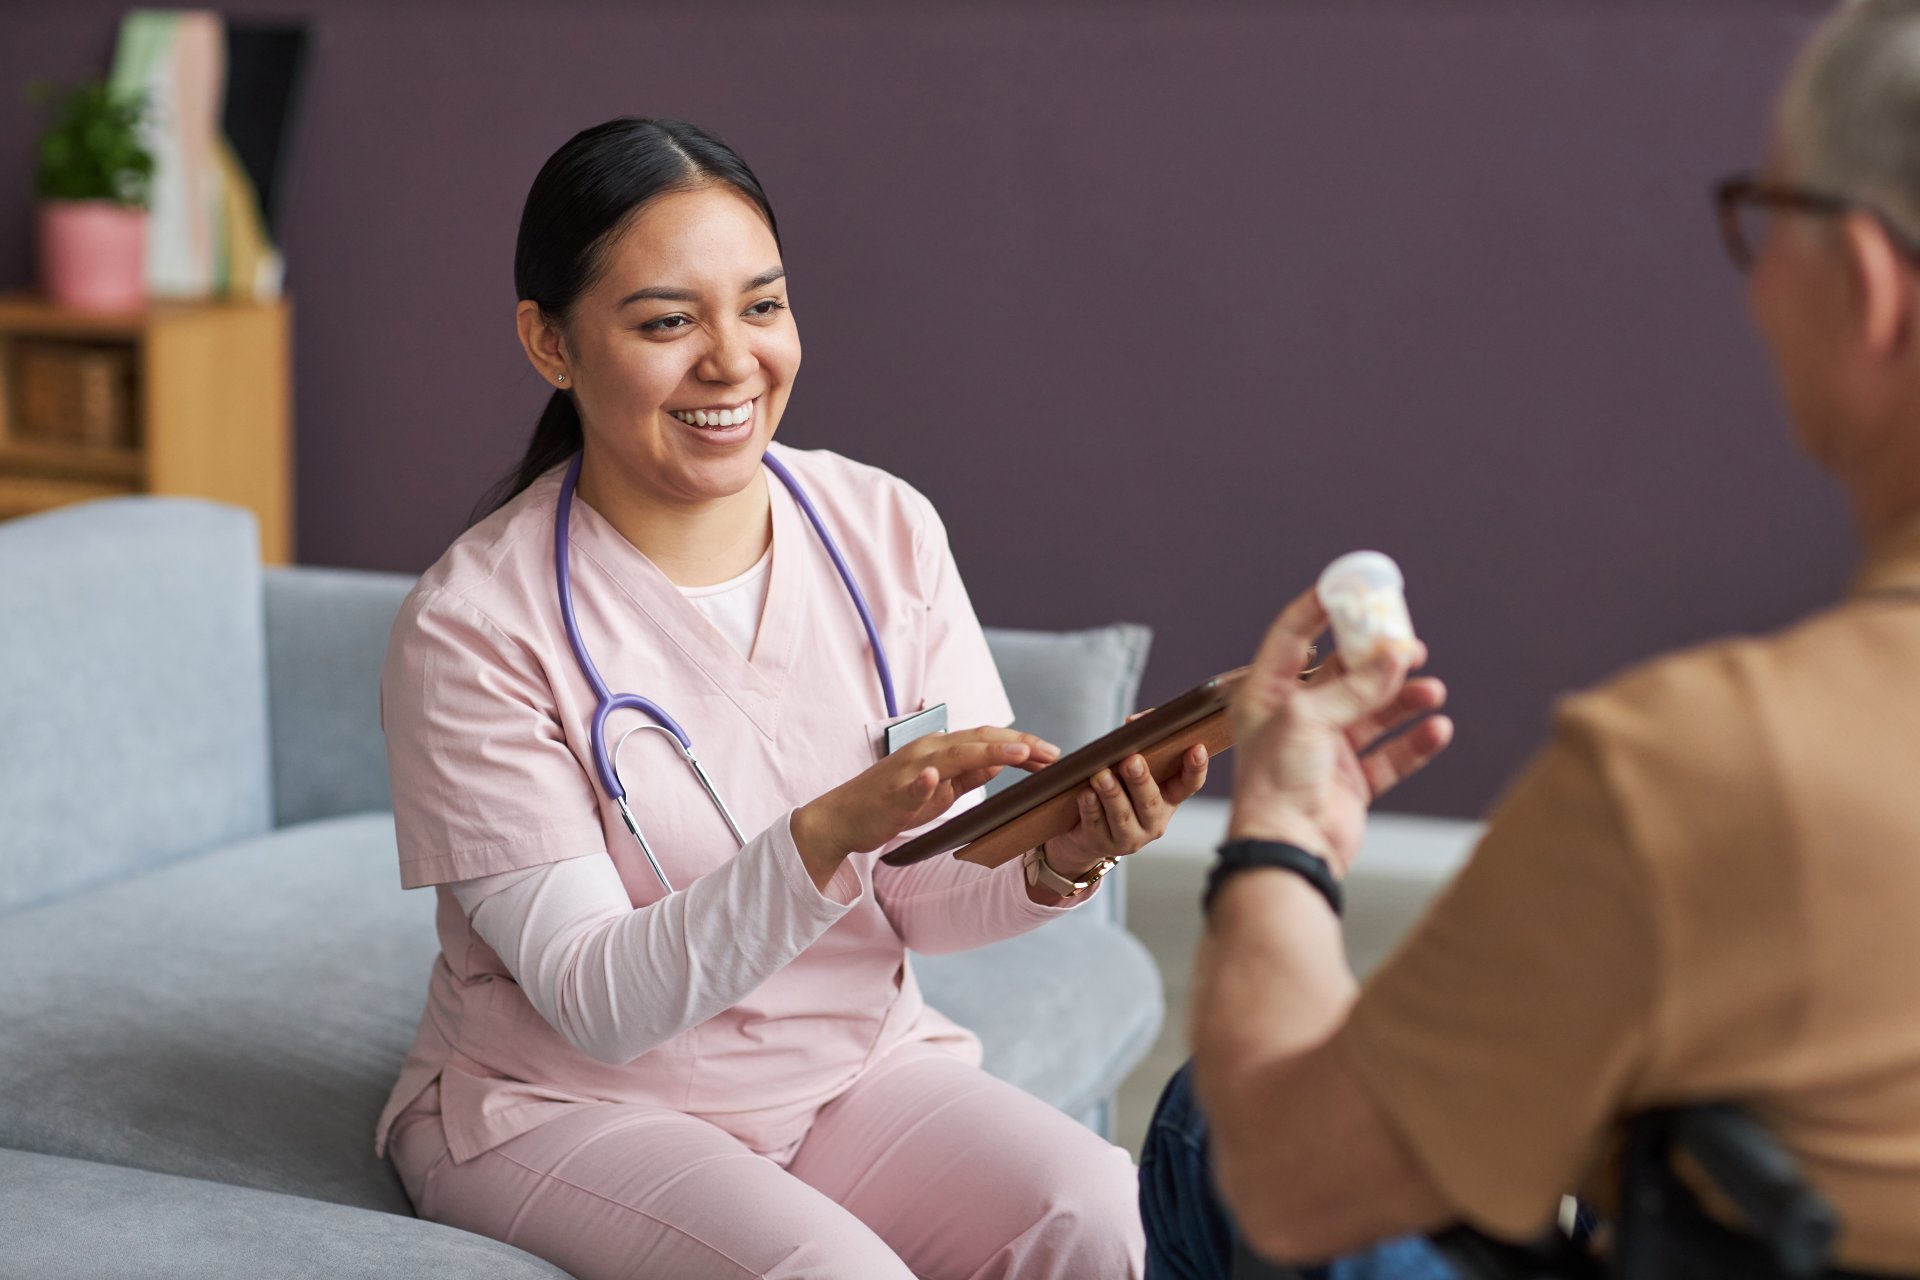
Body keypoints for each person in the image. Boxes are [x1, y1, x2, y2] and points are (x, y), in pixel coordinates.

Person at [1141, 1, 1920, 1275]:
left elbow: (1286, 1172)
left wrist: (1279, 827)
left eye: (1770, 219)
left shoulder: (1700, 766)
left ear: (1871, 286)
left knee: (1203, 1130)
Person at [374, 117, 1211, 1280]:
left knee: (1103, 1216)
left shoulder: (883, 531)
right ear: (549, 342)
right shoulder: (472, 625)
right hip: (572, 1105)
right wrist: (829, 831)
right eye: (669, 320)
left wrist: (1056, 855)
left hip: (848, 1068)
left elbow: (923, 899)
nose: (731, 360)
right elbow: (595, 999)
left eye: (761, 306)